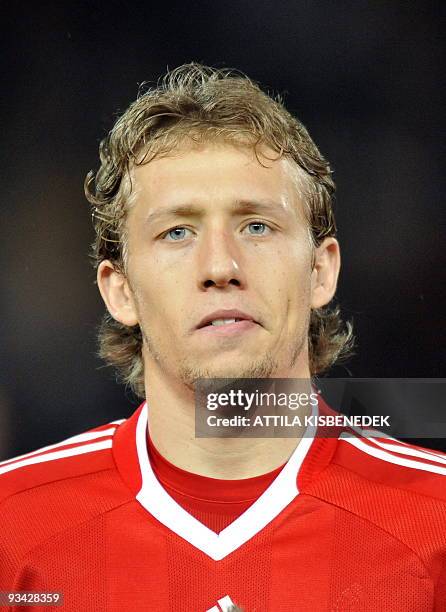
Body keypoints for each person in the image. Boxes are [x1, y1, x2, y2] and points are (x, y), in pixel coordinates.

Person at [0, 63, 445, 612]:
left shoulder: (435, 523)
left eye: (256, 225)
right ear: (120, 291)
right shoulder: (11, 527)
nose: (220, 265)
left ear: (320, 272)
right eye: (177, 232)